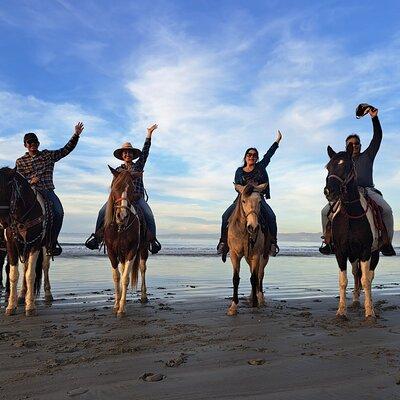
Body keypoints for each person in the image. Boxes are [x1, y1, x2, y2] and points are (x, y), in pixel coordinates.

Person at [320, 107, 395, 256]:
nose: (354, 146)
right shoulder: (344, 161)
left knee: (387, 210)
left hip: (367, 191)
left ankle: (387, 243)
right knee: (324, 212)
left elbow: (377, 137)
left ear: (360, 145)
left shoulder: (367, 155)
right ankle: (328, 242)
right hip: (347, 193)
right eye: (351, 144)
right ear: (347, 147)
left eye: (357, 143)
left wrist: (374, 118)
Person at [85, 124, 161, 254]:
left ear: (133, 155)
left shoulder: (138, 166)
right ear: (122, 155)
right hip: (120, 199)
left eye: (129, 152)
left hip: (136, 198)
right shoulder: (118, 171)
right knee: (102, 212)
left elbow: (145, 152)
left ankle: (152, 240)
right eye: (125, 152)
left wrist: (149, 134)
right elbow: (114, 188)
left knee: (148, 213)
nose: (127, 154)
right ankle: (97, 238)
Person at [15, 123, 84, 256]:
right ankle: (10, 240)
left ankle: (52, 243)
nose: (32, 144)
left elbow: (65, 150)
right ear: (25, 145)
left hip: (46, 190)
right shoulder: (20, 161)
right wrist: (30, 181)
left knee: (59, 212)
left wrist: (76, 135)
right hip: (28, 192)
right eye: (29, 142)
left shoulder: (48, 155)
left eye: (34, 142)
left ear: (38, 143)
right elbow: (18, 180)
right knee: (12, 210)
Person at [217, 130, 283, 259]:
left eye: (254, 155)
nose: (251, 156)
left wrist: (277, 141)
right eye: (249, 154)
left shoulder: (260, 167)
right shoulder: (239, 171)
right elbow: (237, 185)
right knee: (225, 216)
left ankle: (273, 243)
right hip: (242, 199)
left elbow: (269, 155)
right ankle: (223, 242)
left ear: (256, 157)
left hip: (258, 198)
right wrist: (241, 188)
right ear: (245, 157)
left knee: (271, 216)